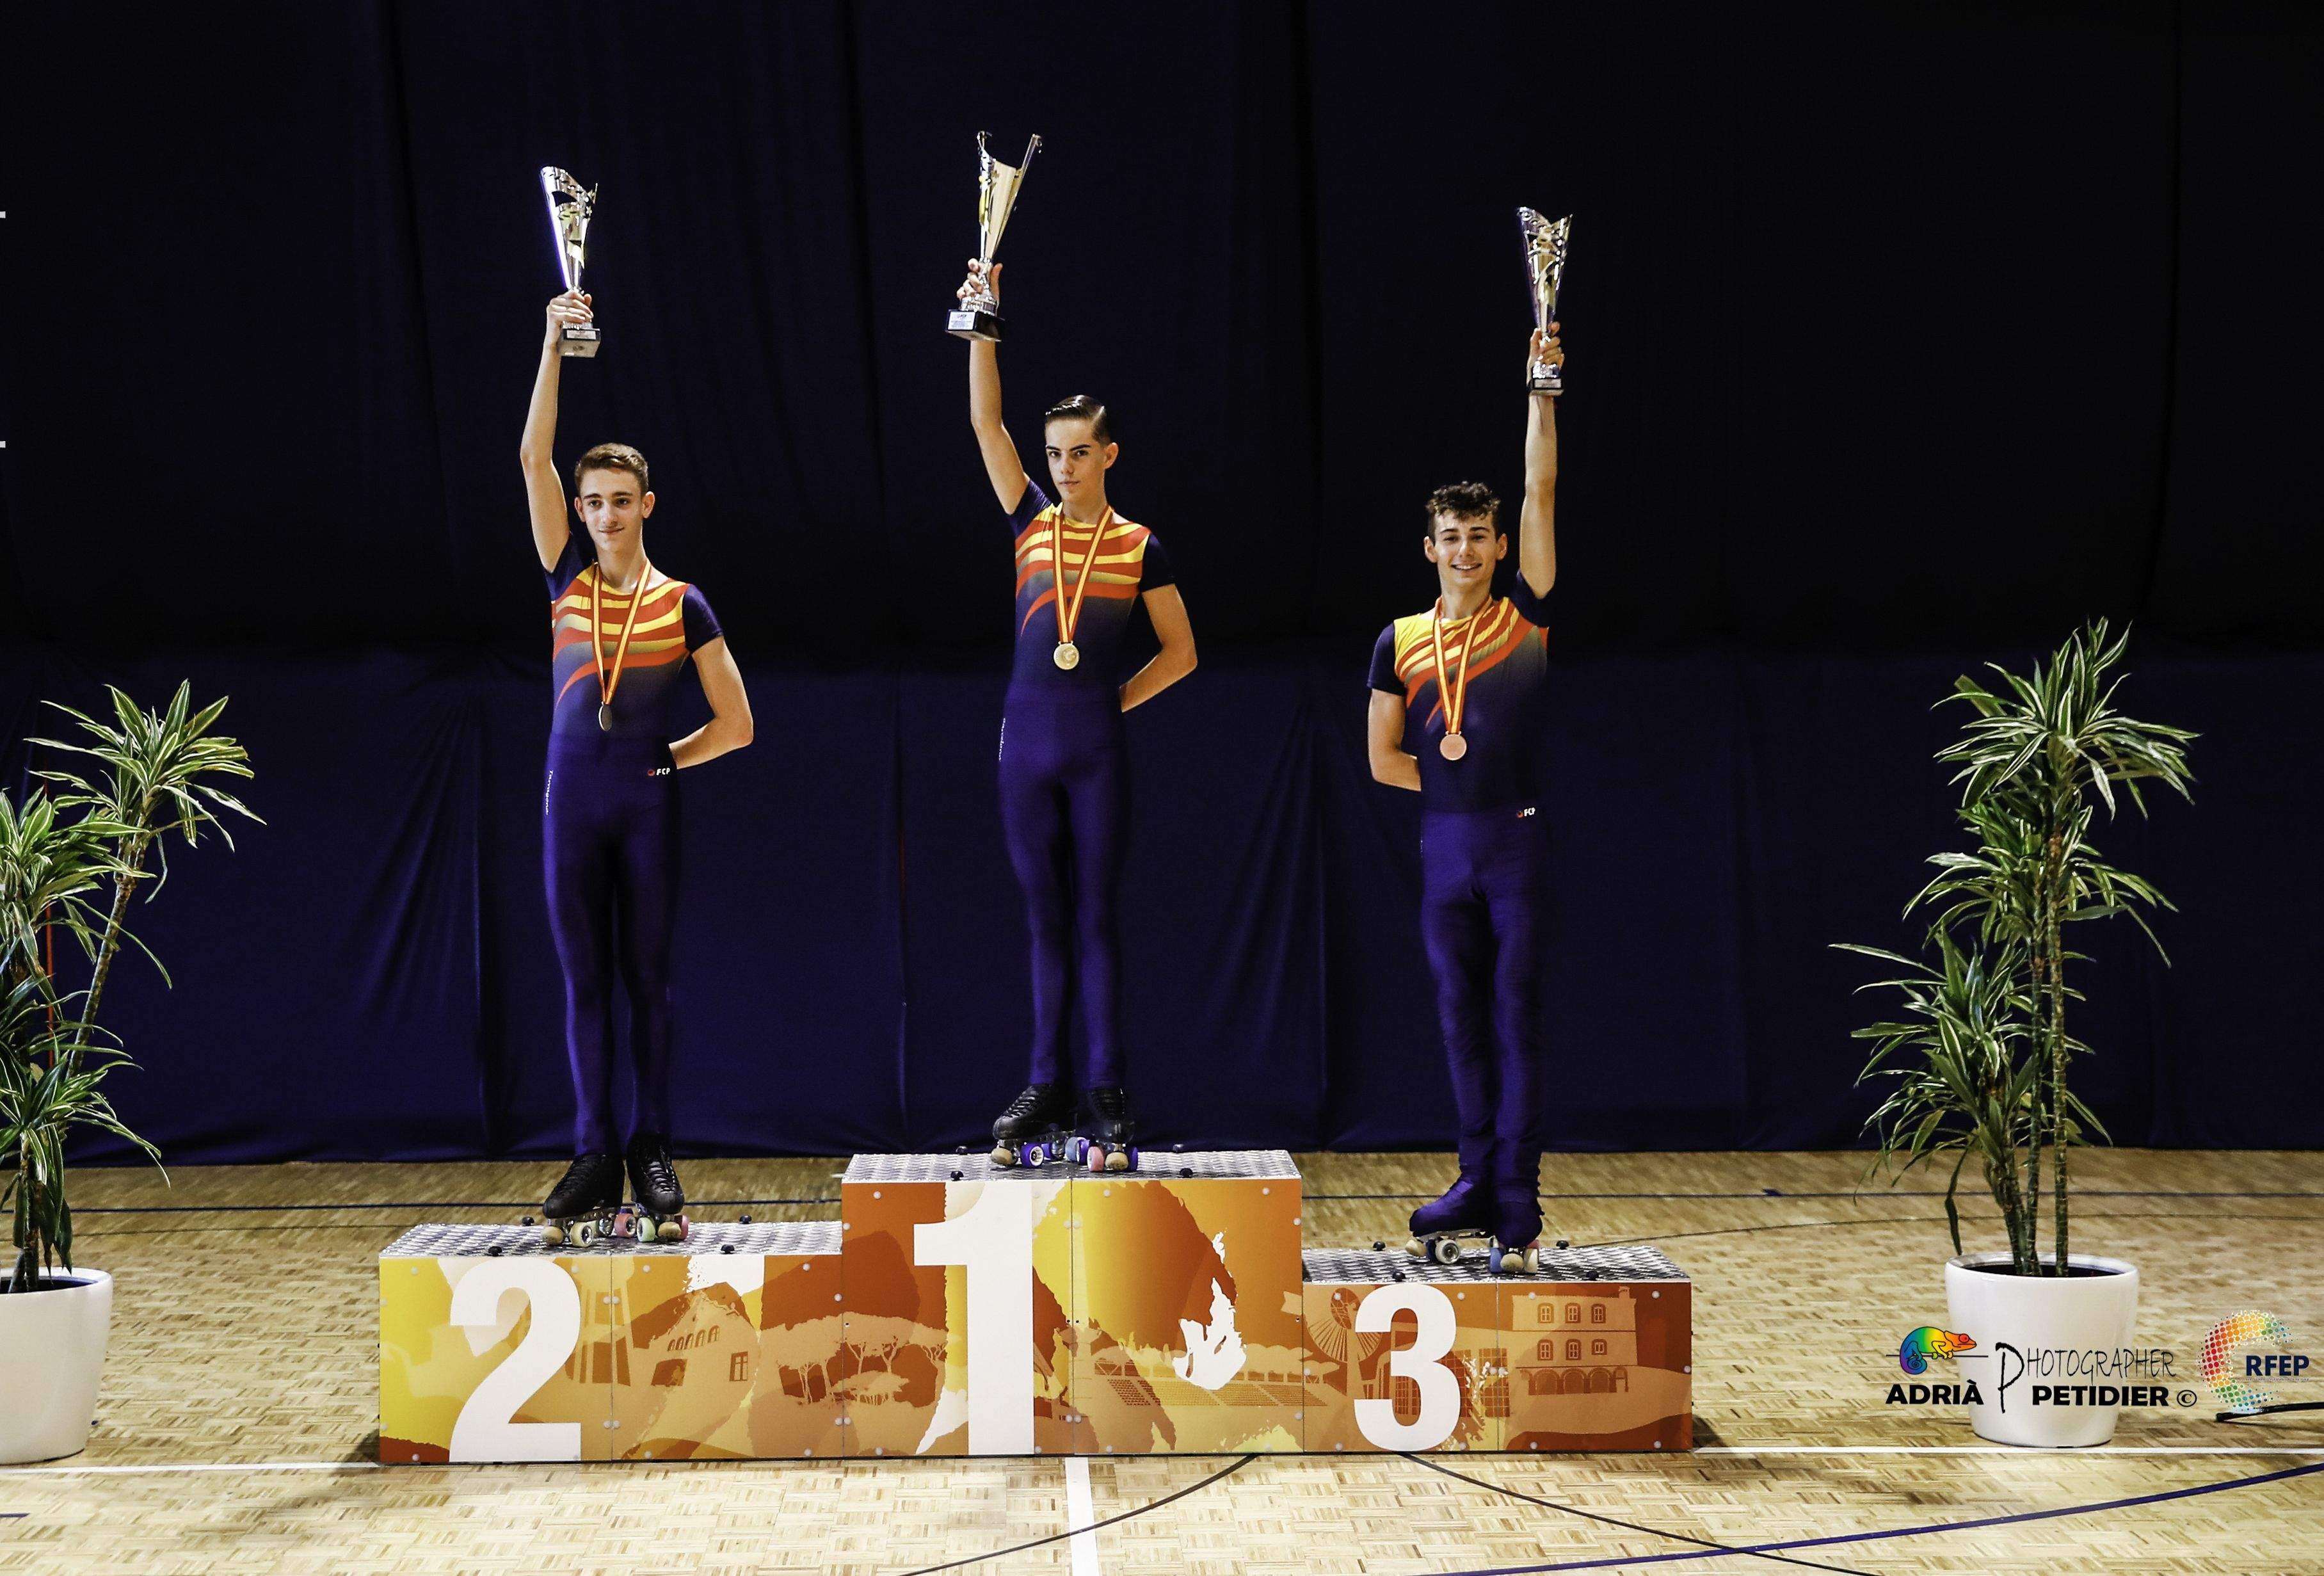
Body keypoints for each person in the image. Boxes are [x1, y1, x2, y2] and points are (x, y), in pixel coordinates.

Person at [517, 287, 755, 1242]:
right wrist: (552, 345)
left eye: (621, 502)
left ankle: (652, 1147)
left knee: (647, 983)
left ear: (646, 505)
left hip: (645, 811)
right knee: (583, 984)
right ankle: (592, 1152)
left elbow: (737, 725)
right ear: (577, 509)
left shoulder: (685, 604)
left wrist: (667, 761)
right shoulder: (564, 581)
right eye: (594, 503)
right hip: (568, 810)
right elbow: (531, 453)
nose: (607, 516)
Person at [959, 258, 1198, 1171]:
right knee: (1041, 917)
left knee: (1096, 914)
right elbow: (986, 420)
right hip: (1024, 748)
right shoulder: (1029, 523)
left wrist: (1112, 701)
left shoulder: (1139, 545)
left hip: (1096, 750)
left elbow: (1182, 652)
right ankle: (1042, 1081)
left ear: (1109, 455)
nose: (1062, 466)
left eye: (1078, 452)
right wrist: (985, 323)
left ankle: (1107, 1090)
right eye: (1053, 453)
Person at [1367, 323, 1564, 1272]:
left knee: (1515, 1017)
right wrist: (1446, 786)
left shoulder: (1524, 617)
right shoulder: (1398, 639)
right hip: (1444, 848)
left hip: (1515, 845)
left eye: (1480, 536)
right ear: (1430, 546)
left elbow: (1543, 489)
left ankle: (1519, 1208)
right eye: (1452, 537)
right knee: (1458, 1020)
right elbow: (1381, 759)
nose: (1468, 550)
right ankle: (1475, 1179)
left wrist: (1542, 390)